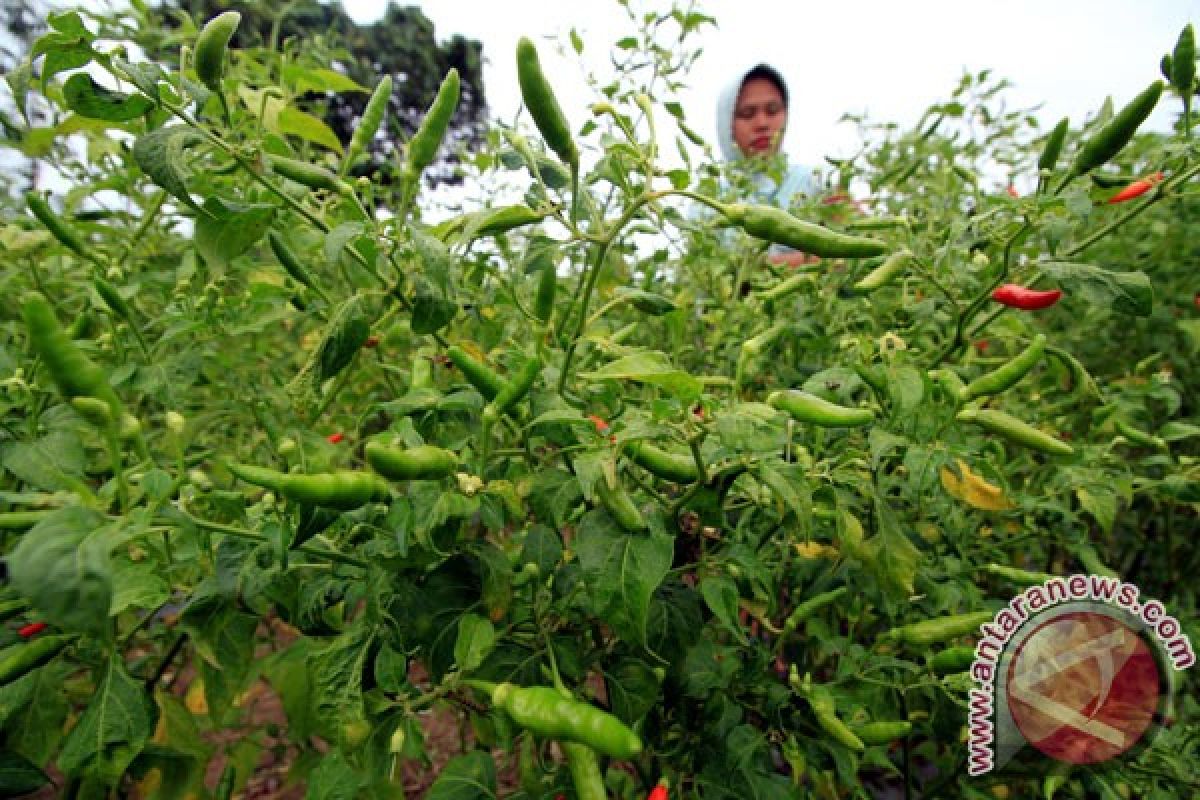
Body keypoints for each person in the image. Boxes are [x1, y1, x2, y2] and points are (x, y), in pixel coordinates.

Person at [715, 63, 822, 267]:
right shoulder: (709, 200)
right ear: (726, 123)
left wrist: (755, 267)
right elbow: (700, 279)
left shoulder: (815, 182)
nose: (762, 123)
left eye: (772, 111)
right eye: (747, 113)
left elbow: (853, 255)